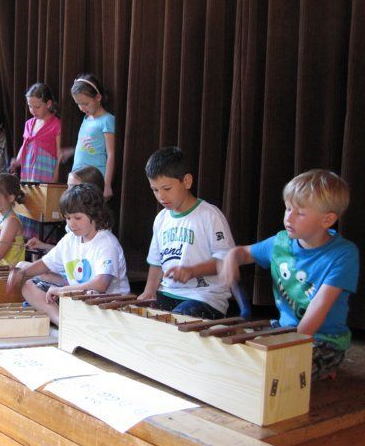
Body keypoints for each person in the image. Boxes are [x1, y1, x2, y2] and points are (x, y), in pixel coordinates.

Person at [220, 169, 359, 380]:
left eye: (300, 213)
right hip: (283, 330)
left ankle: (327, 364)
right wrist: (232, 257)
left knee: (281, 374)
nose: (288, 218)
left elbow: (318, 307)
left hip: (323, 340)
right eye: (288, 209)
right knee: (230, 351)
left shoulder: (343, 254)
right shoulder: (281, 242)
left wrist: (291, 349)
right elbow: (243, 253)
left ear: (327, 220)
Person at [7, 183, 129, 326]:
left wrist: (62, 290)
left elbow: (101, 284)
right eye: (68, 218)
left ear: (95, 215)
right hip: (79, 298)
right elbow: (45, 264)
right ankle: (63, 323)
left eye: (77, 218)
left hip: (109, 304)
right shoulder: (70, 239)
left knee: (93, 293)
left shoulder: (107, 243)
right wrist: (22, 273)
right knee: (28, 286)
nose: (71, 224)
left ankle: (74, 325)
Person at [138, 146, 235, 319]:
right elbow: (156, 263)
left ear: (187, 181)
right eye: (155, 190)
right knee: (142, 318)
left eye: (167, 188)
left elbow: (226, 261)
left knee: (178, 320)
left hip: (205, 297)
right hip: (169, 292)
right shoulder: (161, 219)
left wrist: (192, 271)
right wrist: (149, 291)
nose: (161, 196)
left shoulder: (210, 216)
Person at [8, 82, 62, 239]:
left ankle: (41, 249)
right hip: (28, 174)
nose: (33, 110)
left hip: (44, 174)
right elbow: (25, 145)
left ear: (49, 104)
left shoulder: (56, 124)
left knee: (42, 212)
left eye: (37, 107)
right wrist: (17, 161)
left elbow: (59, 154)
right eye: (30, 106)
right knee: (28, 206)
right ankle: (28, 248)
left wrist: (55, 179)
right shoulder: (29, 123)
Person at [25, 165, 105, 253]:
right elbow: (68, 252)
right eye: (68, 186)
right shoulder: (75, 226)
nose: (67, 192)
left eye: (73, 187)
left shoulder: (99, 235)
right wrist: (43, 246)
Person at [70, 74, 116, 199]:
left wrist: (107, 185)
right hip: (77, 177)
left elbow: (111, 154)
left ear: (98, 97)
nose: (81, 108)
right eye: (78, 104)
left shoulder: (107, 120)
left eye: (85, 103)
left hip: (94, 177)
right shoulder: (86, 119)